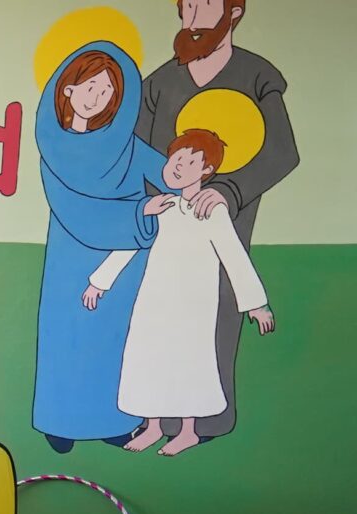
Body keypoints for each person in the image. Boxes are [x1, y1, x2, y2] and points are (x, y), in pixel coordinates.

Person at [133, 0, 299, 444]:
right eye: (186, 6)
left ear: (235, 12)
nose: (192, 17)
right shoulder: (160, 82)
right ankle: (158, 419)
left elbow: (282, 152)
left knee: (214, 315)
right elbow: (139, 150)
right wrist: (156, 203)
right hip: (165, 226)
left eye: (204, 5)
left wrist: (228, 190)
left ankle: (206, 421)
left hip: (223, 218)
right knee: (157, 320)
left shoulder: (257, 76)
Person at [83, 130, 275, 457]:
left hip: (194, 302)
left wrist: (256, 304)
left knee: (189, 360)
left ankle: (188, 430)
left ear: (206, 170)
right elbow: (132, 243)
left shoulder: (211, 210)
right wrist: (100, 281)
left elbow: (233, 253)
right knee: (148, 357)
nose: (177, 165)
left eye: (188, 160)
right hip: (155, 298)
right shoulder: (161, 205)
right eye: (175, 158)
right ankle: (153, 426)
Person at [31, 47, 161, 454]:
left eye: (107, 91)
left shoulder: (126, 145)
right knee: (65, 338)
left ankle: (114, 420)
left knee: (113, 341)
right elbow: (73, 207)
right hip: (72, 255)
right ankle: (60, 421)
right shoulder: (55, 147)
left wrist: (202, 184)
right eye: (90, 86)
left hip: (123, 260)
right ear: (67, 90)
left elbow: (168, 174)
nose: (98, 96)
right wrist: (139, 216)